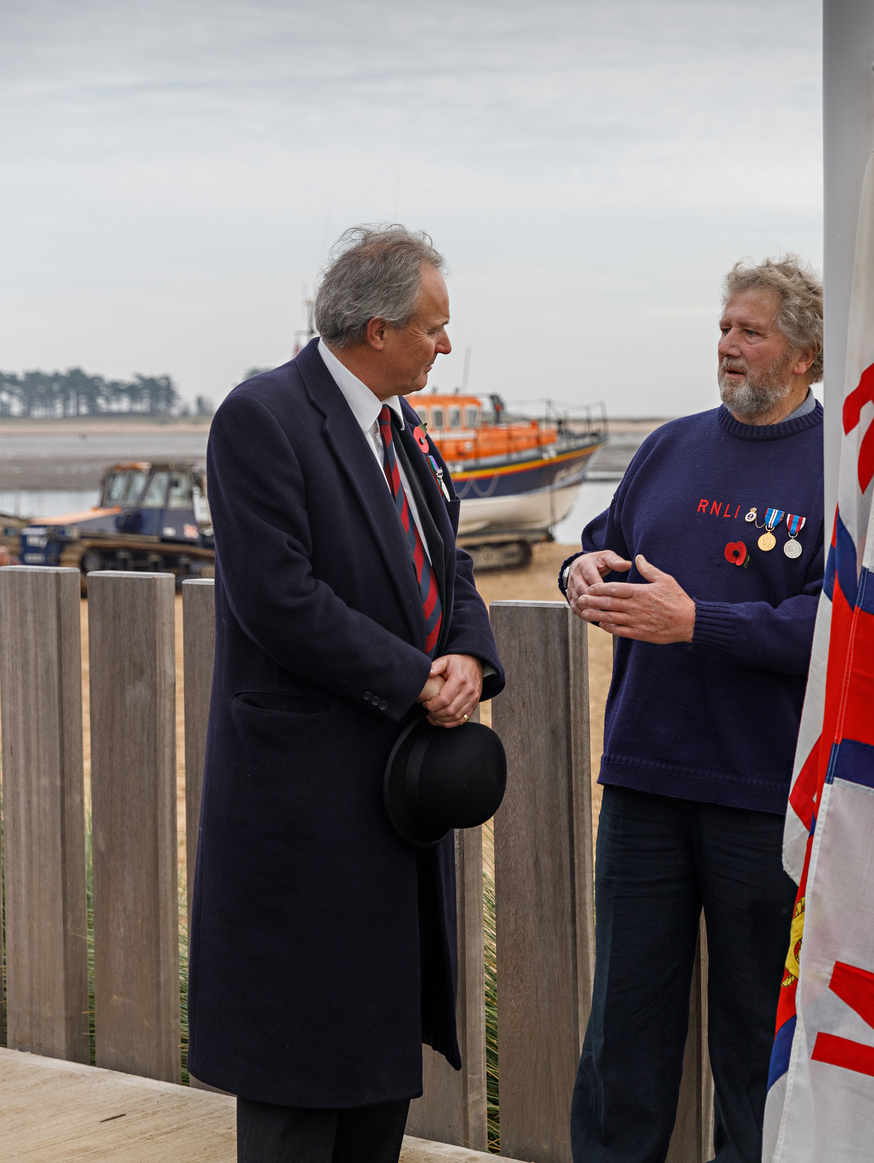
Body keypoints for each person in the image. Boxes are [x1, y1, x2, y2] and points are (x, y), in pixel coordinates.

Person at [188, 225, 505, 1163]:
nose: (445, 346)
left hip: (394, 801)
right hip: (304, 798)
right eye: (434, 329)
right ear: (377, 328)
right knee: (296, 1073)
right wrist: (415, 677)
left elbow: (449, 564)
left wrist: (469, 659)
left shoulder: (400, 428)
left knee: (375, 1062)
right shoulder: (261, 418)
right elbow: (278, 601)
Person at [562, 255, 825, 1163]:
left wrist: (697, 623)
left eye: (750, 332)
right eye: (724, 328)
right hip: (642, 781)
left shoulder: (841, 470)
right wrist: (579, 572)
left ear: (806, 355)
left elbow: (837, 630)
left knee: (756, 1035)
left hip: (764, 796)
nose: (728, 346)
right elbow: (604, 548)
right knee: (622, 1028)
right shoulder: (669, 447)